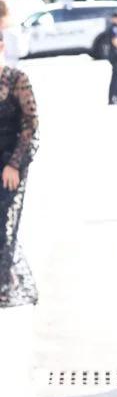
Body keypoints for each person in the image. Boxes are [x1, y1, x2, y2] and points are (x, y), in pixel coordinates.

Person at [0, 28, 39, 307]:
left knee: (3, 224)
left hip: (9, 163)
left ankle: (4, 282)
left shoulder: (16, 79)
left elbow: (30, 125)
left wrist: (14, 164)